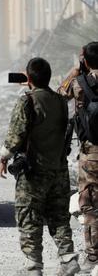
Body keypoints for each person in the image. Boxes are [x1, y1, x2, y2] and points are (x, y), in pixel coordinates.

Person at [0, 57, 79, 276]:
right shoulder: (61, 101)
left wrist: (4, 157)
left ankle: (34, 267)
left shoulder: (27, 101)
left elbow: (16, 134)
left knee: (29, 218)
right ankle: (68, 259)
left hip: (34, 171)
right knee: (59, 217)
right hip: (58, 170)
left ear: (29, 77)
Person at [59, 42, 98, 273]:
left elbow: (58, 95)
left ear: (84, 60)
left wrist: (75, 71)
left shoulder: (78, 83)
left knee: (90, 204)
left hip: (92, 153)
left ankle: (93, 256)